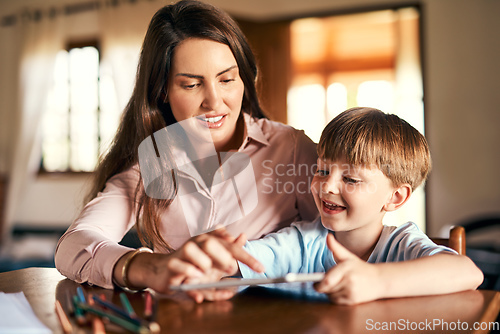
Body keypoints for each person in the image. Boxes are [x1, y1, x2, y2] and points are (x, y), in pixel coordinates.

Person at [54, 0, 317, 296]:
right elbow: (72, 246)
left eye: (227, 79)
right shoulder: (148, 166)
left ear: (244, 78)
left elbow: (337, 240)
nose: (214, 102)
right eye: (192, 85)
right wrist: (151, 267)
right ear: (162, 91)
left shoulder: (291, 149)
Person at [190, 107, 484, 305]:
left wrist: (376, 282)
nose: (326, 186)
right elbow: (246, 261)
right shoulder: (304, 241)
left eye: (351, 179)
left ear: (395, 198)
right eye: (321, 170)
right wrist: (217, 267)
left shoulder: (402, 245)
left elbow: (468, 273)